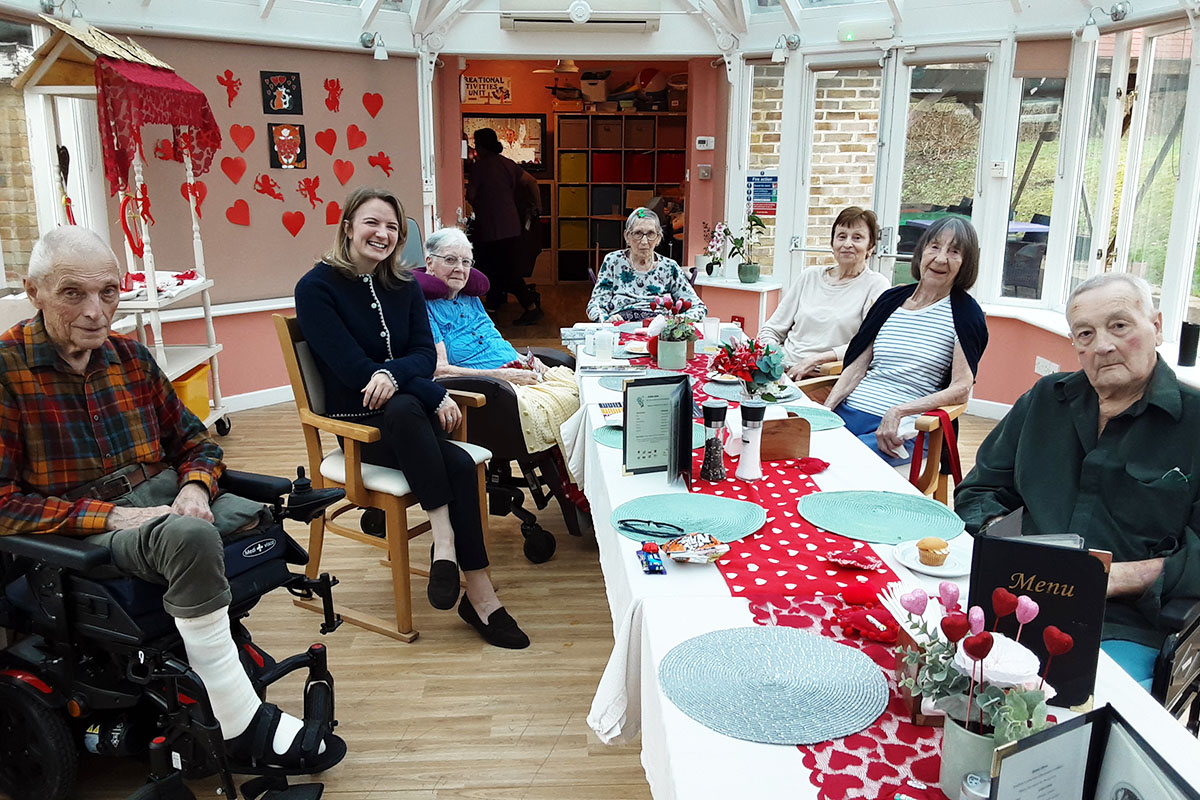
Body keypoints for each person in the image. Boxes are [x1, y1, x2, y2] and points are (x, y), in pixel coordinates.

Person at [0, 226, 346, 772]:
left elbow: (196, 442)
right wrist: (113, 516)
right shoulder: (7, 371)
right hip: (81, 529)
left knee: (256, 515)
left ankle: (214, 661)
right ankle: (238, 723)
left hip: (163, 495)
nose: (95, 311)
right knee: (189, 538)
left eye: (108, 292)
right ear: (33, 291)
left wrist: (194, 486)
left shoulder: (130, 358)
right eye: (72, 293)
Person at [294, 187, 528, 649]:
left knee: (406, 408)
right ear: (348, 227)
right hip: (361, 429)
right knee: (456, 461)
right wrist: (425, 388)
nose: (382, 234)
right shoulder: (316, 288)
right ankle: (471, 582)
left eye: (392, 227)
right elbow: (353, 370)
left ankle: (458, 566)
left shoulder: (403, 285)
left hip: (412, 423)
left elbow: (424, 355)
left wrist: (403, 378)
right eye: (372, 223)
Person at [955, 273, 1200, 685]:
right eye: (1085, 333)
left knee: (1066, 714)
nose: (1102, 345)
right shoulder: (1045, 400)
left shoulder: (1194, 423)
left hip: (1123, 626)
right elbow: (979, 490)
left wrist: (1111, 577)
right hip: (1015, 601)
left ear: (1156, 327)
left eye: (1119, 325)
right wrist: (1005, 540)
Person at [823, 216, 988, 465]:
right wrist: (826, 411)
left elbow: (961, 389)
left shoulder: (965, 314)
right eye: (935, 246)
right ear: (921, 251)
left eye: (954, 252)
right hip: (850, 412)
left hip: (904, 427)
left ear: (966, 263)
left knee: (840, 462)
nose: (940, 258)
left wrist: (900, 411)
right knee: (799, 450)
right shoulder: (891, 300)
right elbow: (856, 366)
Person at [415, 227, 580, 455]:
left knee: (583, 391)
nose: (459, 268)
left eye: (465, 262)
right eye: (450, 260)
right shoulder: (423, 307)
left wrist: (527, 359)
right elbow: (440, 371)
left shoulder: (469, 296)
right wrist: (504, 376)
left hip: (517, 374)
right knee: (568, 404)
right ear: (430, 263)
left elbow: (493, 339)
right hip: (493, 391)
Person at [758, 206, 891, 379]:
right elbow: (771, 329)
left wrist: (815, 360)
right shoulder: (810, 276)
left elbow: (868, 344)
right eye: (841, 236)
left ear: (870, 247)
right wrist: (773, 356)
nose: (847, 244)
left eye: (857, 237)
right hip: (783, 369)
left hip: (822, 377)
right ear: (832, 243)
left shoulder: (876, 285)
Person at [466, 127, 543, 325]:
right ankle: (494, 306)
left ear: (481, 146)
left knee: (499, 269)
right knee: (503, 267)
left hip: (491, 226)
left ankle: (528, 307)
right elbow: (532, 182)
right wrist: (538, 208)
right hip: (511, 225)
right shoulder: (508, 164)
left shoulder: (479, 168)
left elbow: (471, 196)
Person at [586, 207, 706, 323]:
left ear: (658, 238)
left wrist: (677, 321)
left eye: (650, 234)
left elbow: (699, 308)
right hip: (620, 325)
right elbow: (595, 305)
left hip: (659, 329)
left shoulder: (670, 267)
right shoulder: (613, 261)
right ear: (627, 237)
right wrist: (607, 320)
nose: (644, 241)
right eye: (638, 233)